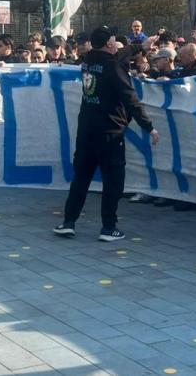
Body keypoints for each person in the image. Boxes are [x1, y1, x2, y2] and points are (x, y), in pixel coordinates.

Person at [54, 27, 159, 242]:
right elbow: (130, 99)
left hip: (86, 132)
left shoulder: (88, 62)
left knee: (81, 178)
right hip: (110, 132)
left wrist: (140, 46)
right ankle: (109, 227)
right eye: (113, 39)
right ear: (110, 44)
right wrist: (149, 126)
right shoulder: (112, 67)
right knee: (113, 181)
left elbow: (117, 56)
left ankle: (68, 222)